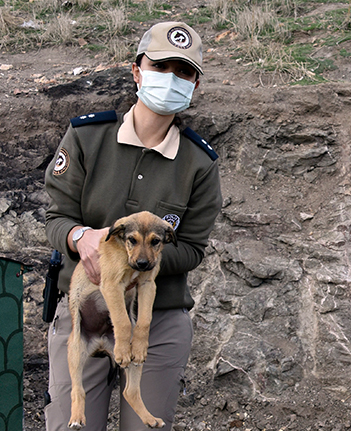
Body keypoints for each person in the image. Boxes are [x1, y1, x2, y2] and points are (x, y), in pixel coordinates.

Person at [44, 21, 222, 430]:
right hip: (85, 312)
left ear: (194, 85)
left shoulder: (200, 163)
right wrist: (80, 238)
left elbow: (192, 248)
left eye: (184, 72)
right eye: (160, 67)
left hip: (156, 320)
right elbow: (56, 217)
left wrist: (139, 263)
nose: (171, 79)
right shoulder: (87, 136)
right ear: (137, 71)